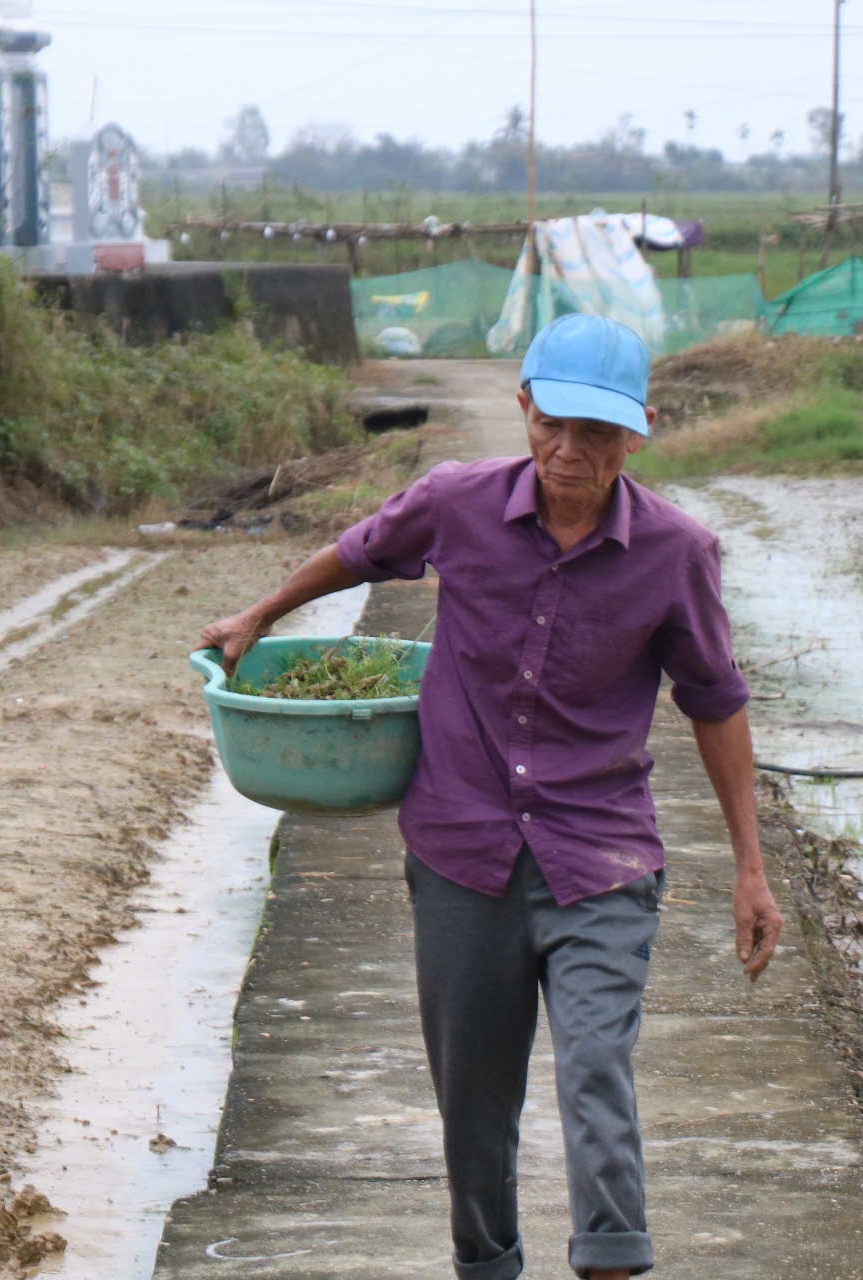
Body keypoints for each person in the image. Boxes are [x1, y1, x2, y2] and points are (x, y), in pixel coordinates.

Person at [196, 313, 783, 1280]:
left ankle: (609, 1263)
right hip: (462, 853)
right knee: (473, 1107)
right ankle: (488, 1266)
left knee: (597, 1076)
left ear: (636, 434)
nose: (568, 451)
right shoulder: (456, 505)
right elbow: (361, 550)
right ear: (523, 408)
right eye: (552, 423)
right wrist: (260, 613)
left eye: (596, 434)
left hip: (600, 861)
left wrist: (751, 871)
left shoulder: (677, 554)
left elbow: (716, 704)